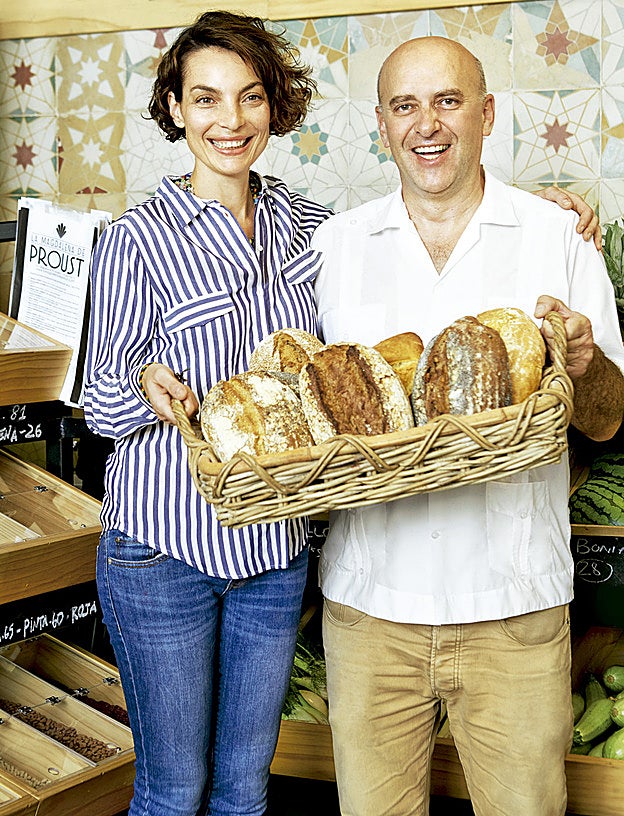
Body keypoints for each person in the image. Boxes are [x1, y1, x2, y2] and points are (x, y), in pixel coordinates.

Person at [311, 36, 624, 816]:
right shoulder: (335, 246)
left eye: (448, 101)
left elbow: (613, 420)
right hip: (369, 614)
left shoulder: (557, 238)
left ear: (487, 114)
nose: (428, 124)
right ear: (382, 126)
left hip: (513, 612)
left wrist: (584, 365)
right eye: (405, 105)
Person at [82, 11, 332, 816]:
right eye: (207, 100)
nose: (231, 121)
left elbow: (417, 227)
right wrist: (147, 378)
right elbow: (101, 402)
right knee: (171, 789)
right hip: (164, 552)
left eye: (251, 98)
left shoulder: (310, 226)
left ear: (274, 106)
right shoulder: (138, 238)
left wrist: (541, 209)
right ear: (177, 109)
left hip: (273, 551)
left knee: (243, 790)